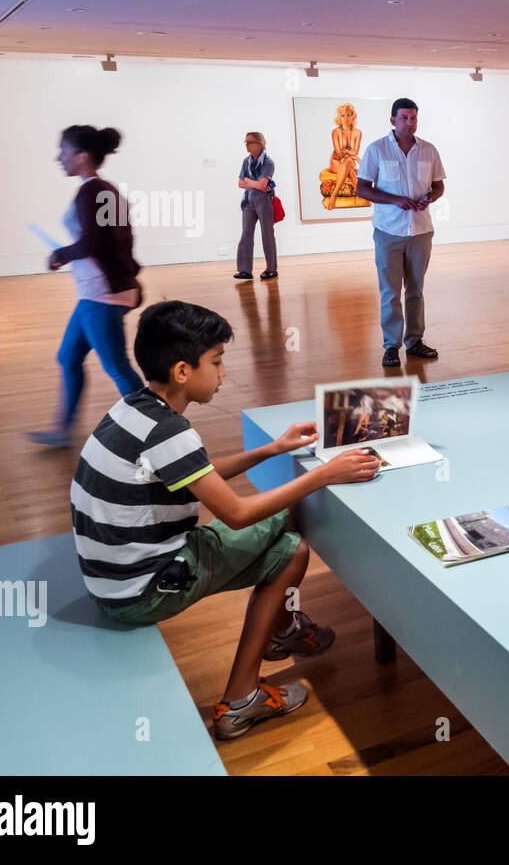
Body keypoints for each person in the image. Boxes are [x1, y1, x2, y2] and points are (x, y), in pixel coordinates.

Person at [70, 300, 382, 739]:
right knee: (291, 533)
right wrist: (325, 474)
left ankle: (280, 633)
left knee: (289, 545)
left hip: (109, 579)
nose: (223, 372)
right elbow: (236, 515)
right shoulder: (171, 432)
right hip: (141, 590)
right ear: (183, 371)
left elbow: (195, 473)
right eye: (216, 362)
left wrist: (271, 449)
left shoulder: (135, 409)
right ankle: (243, 694)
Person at [28, 125, 144, 448]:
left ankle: (157, 432)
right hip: (100, 292)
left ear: (82, 156)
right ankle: (62, 432)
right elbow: (119, 241)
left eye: (63, 152)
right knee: (68, 357)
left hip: (101, 295)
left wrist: (59, 254)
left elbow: (94, 243)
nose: (59, 158)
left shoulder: (91, 192)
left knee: (118, 367)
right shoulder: (105, 189)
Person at [356, 97, 446, 368]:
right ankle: (391, 346)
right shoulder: (377, 150)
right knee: (390, 291)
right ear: (393, 120)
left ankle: (415, 341)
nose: (410, 123)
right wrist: (395, 200)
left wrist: (430, 197)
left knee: (416, 290)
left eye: (414, 118)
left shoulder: (428, 150)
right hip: (388, 231)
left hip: (421, 231)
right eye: (405, 118)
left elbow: (439, 185)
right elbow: (362, 188)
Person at [235, 131, 278, 281]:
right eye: (245, 142)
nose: (246, 145)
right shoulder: (246, 162)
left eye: (250, 142)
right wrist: (255, 184)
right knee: (246, 234)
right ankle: (244, 270)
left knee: (267, 235)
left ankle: (271, 269)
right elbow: (240, 184)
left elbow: (262, 184)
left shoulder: (268, 162)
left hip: (264, 201)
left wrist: (250, 181)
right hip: (248, 201)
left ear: (259, 143)